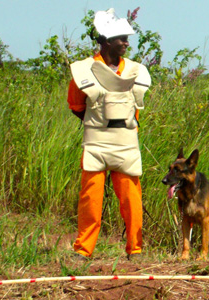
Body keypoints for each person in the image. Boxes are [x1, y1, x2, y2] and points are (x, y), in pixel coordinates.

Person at [67, 8, 151, 261]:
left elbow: (136, 107)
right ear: (104, 41)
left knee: (131, 198)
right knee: (90, 198)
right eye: (121, 39)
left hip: (126, 142)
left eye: (127, 38)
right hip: (96, 142)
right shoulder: (83, 70)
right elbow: (76, 105)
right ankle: (83, 250)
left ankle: (135, 249)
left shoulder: (136, 70)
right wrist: (98, 124)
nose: (126, 43)